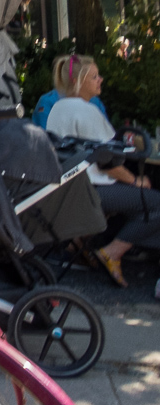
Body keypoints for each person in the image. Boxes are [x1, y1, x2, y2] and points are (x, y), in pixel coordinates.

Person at [45, 54, 160, 288]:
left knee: (125, 197)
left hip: (70, 188)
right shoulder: (88, 112)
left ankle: (77, 245)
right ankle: (112, 252)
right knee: (155, 202)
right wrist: (136, 180)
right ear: (80, 81)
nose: (101, 80)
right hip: (92, 190)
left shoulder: (57, 108)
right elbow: (108, 162)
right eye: (95, 76)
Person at [32, 55, 107, 128]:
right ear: (77, 80)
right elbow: (45, 137)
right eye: (94, 77)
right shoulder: (48, 102)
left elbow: (108, 137)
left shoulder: (96, 102)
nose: (101, 79)